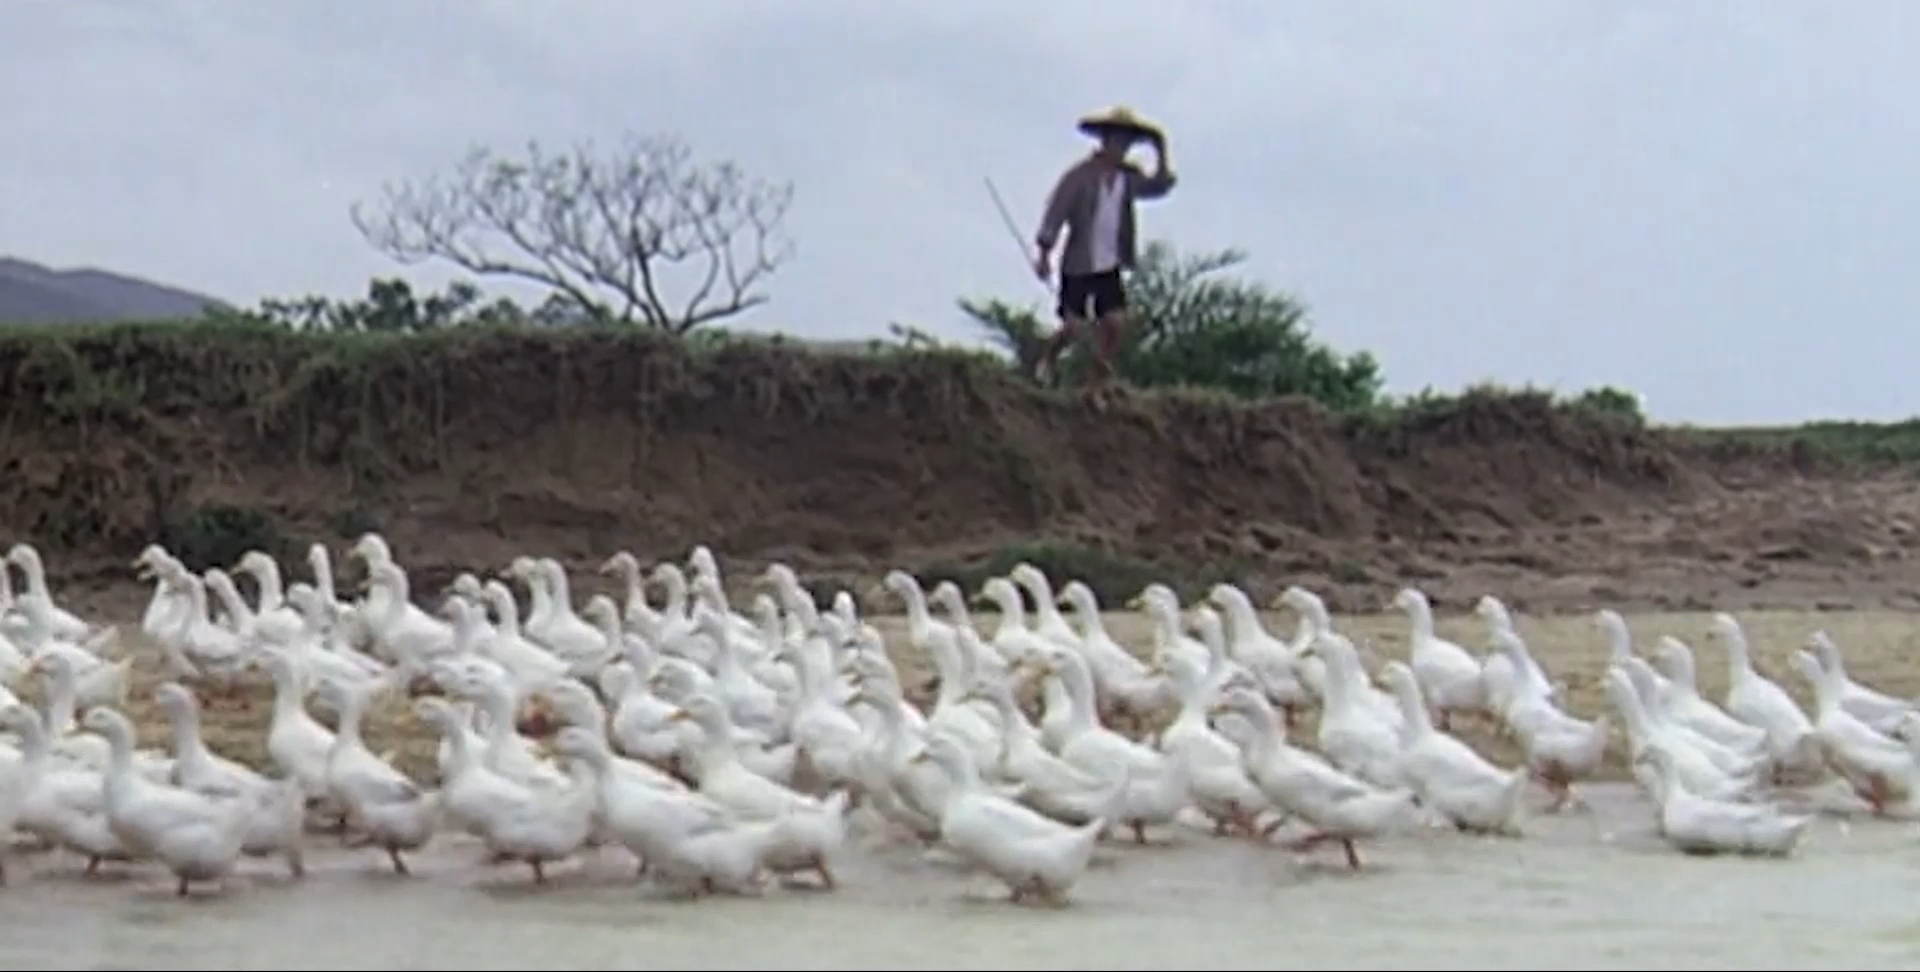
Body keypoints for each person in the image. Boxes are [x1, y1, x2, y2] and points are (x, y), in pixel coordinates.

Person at [1031, 105, 1177, 388]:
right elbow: (1056, 212)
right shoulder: (1080, 176)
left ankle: (1095, 382)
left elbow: (1160, 185)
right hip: (1079, 263)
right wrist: (1044, 253)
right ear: (1105, 141)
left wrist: (1160, 150)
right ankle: (1047, 357)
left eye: (1126, 142)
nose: (1120, 148)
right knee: (1074, 328)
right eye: (1116, 141)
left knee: (1116, 324)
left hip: (1109, 263)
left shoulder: (1127, 178)